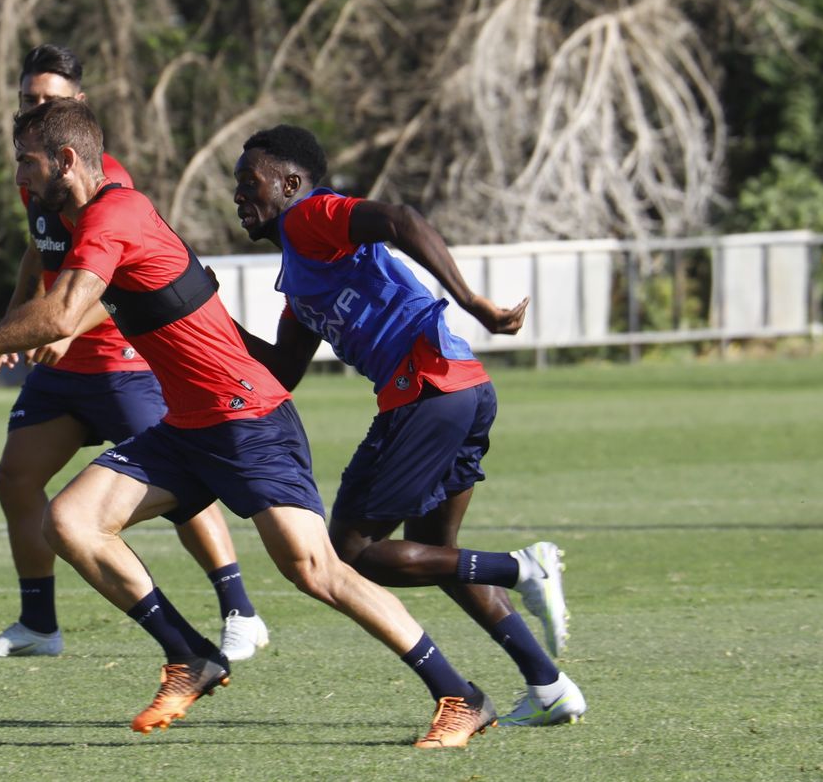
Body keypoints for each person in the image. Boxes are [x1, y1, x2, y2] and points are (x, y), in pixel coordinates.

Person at [0, 98, 497, 748]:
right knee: (69, 521)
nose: (21, 174)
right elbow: (56, 295)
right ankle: (191, 655)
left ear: (67, 160)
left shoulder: (113, 214)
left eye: (28, 161)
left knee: (317, 569)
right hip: (188, 425)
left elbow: (62, 315)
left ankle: (460, 694)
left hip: (248, 416)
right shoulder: (85, 213)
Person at [228, 123, 585, 726]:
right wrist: (209, 314)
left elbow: (401, 220)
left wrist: (474, 303)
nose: (239, 196)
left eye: (249, 182)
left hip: (427, 391)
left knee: (351, 551)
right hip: (461, 390)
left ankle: (523, 567)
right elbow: (282, 371)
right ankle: (549, 686)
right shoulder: (299, 276)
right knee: (435, 553)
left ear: (290, 183)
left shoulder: (310, 216)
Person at [0, 45, 268, 662]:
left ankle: (241, 611)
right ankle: (39, 625)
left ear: (78, 105)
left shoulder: (107, 182)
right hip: (61, 366)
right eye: (27, 98)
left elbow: (118, 277)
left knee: (181, 485)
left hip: (119, 362)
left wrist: (65, 326)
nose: (35, 106)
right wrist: (16, 313)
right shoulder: (37, 175)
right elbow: (39, 249)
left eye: (48, 99)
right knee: (16, 477)